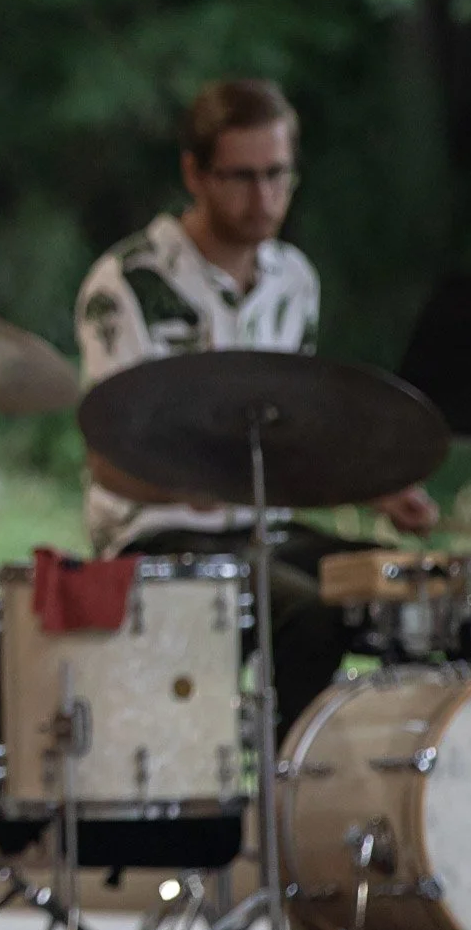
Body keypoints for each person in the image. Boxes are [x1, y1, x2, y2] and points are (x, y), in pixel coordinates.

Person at [75, 79, 437, 741]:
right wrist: (199, 481)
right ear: (194, 172)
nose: (263, 199)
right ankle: (286, 802)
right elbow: (108, 464)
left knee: (412, 591)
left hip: (260, 529)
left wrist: (371, 485)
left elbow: (286, 442)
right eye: (240, 178)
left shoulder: (293, 280)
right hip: (157, 532)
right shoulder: (127, 283)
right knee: (305, 611)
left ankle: (387, 791)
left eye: (276, 175)